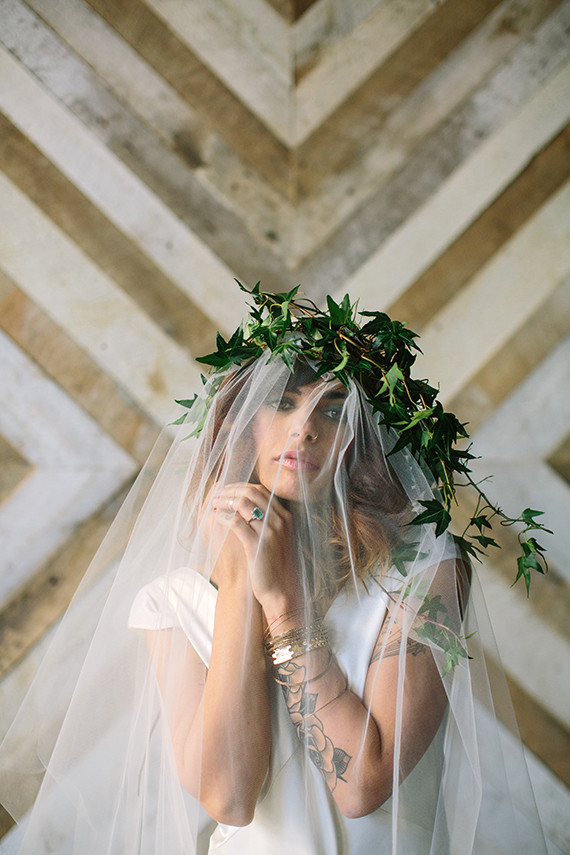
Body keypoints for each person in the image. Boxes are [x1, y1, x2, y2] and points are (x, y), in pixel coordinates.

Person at [0, 287, 549, 854]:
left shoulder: (422, 572)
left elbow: (362, 785)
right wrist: (240, 583)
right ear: (244, 424)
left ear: (362, 440)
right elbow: (230, 798)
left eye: (333, 410)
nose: (305, 428)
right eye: (283, 402)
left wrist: (285, 608)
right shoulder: (170, 602)